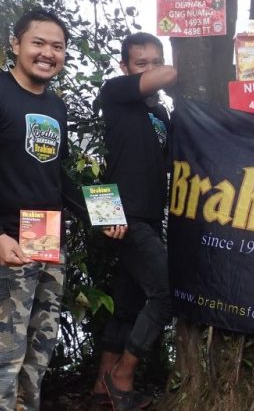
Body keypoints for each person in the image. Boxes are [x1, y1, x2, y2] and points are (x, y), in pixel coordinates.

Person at [0, 9, 126, 409]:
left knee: (35, 357)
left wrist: (102, 215)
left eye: (58, 46)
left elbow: (55, 176)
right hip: (2, 243)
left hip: (46, 238)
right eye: (38, 43)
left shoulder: (54, 106)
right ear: (16, 45)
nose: (48, 53)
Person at [92, 32, 176, 410]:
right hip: (122, 216)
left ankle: (100, 386)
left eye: (157, 61)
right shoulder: (115, 92)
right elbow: (106, 166)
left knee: (128, 299)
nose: (152, 69)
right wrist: (107, 216)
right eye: (142, 63)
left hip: (148, 215)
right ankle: (123, 374)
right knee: (166, 292)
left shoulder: (159, 113)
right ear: (125, 68)